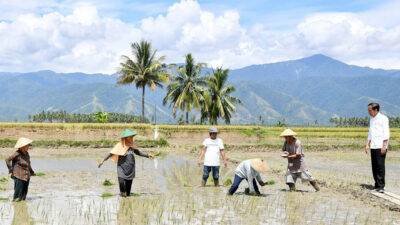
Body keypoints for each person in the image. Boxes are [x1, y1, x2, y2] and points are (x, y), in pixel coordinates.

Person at [98, 129, 153, 197]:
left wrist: (147, 155)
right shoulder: (119, 145)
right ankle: (122, 195)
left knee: (128, 191)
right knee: (121, 183)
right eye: (130, 136)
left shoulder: (132, 146)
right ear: (125, 138)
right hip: (121, 168)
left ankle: (126, 202)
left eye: (132, 136)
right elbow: (111, 154)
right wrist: (102, 161)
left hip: (131, 168)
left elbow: (138, 152)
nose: (132, 138)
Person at [365, 103, 390, 193]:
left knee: (380, 166)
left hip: (380, 146)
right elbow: (370, 133)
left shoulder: (383, 119)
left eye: (370, 110)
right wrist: (367, 144)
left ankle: (381, 186)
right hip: (373, 146)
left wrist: (384, 146)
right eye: (368, 110)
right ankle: (376, 185)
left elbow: (386, 134)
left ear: (376, 110)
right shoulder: (371, 120)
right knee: (374, 166)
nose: (368, 112)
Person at [5, 137, 36, 201]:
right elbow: (7, 160)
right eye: (27, 146)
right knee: (17, 196)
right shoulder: (17, 154)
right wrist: (10, 169)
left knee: (24, 195)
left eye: (28, 146)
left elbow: (28, 164)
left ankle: (22, 208)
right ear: (22, 147)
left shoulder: (27, 154)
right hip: (18, 176)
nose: (28, 147)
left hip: (26, 176)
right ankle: (16, 206)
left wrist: (32, 172)